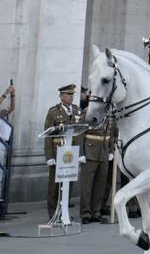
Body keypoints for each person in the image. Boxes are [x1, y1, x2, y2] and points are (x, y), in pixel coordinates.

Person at [43, 83, 81, 219]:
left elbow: (79, 132)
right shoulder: (53, 112)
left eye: (72, 94)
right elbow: (48, 135)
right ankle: (53, 213)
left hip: (71, 151)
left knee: (68, 182)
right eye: (68, 94)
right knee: (54, 185)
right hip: (57, 151)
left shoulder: (77, 110)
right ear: (61, 96)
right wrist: (49, 156)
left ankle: (64, 211)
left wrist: (80, 153)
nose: (71, 97)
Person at [77, 114, 114, 223]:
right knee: (87, 185)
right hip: (90, 152)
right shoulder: (88, 113)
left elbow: (110, 133)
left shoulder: (108, 113)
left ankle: (96, 212)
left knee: (100, 185)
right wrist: (81, 153)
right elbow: (80, 133)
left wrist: (110, 150)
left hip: (104, 152)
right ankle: (85, 213)